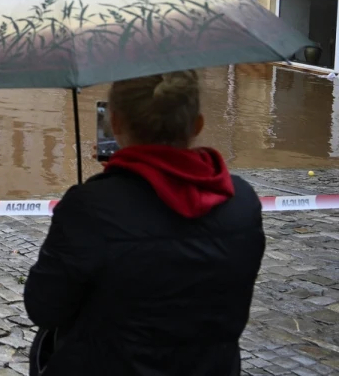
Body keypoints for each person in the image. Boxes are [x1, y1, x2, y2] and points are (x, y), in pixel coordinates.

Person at [24, 71, 265, 376]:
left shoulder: (91, 207)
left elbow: (43, 307)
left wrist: (101, 193)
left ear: (116, 123)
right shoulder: (242, 201)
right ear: (198, 125)